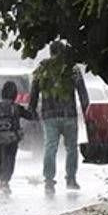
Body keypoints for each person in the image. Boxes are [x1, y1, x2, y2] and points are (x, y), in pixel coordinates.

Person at [34, 56, 90, 191]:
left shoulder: (42, 69)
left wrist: (32, 110)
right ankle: (71, 179)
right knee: (71, 148)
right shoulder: (72, 69)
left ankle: (48, 180)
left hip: (49, 115)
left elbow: (34, 90)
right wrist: (86, 111)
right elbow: (82, 93)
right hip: (69, 115)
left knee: (50, 147)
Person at [0, 80, 38, 192]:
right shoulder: (16, 107)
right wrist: (33, 105)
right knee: (10, 158)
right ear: (15, 94)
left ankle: (2, 180)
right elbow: (30, 116)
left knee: (2, 157)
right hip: (13, 137)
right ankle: (6, 180)